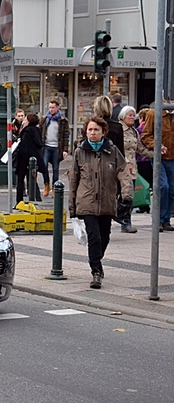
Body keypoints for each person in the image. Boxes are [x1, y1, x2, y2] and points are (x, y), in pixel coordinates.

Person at [69, 116, 133, 289]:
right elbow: (73, 179)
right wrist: (72, 206)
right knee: (94, 236)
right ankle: (96, 271)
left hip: (106, 202)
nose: (92, 133)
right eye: (90, 129)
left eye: (96, 130)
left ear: (103, 132)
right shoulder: (80, 151)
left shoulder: (112, 151)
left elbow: (123, 173)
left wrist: (127, 195)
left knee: (104, 237)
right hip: (87, 202)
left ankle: (96, 259)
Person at [118, 105, 153, 233]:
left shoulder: (134, 131)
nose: (133, 117)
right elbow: (116, 149)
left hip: (132, 170)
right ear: (123, 116)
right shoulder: (118, 129)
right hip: (121, 168)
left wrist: (155, 154)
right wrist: (125, 162)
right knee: (122, 197)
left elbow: (141, 149)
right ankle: (123, 222)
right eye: (130, 115)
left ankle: (126, 222)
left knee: (129, 197)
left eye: (134, 115)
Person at [141, 100, 174, 232]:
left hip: (173, 158)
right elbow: (146, 135)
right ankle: (158, 219)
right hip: (159, 158)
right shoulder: (154, 114)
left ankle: (166, 220)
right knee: (163, 186)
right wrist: (157, 145)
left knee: (172, 189)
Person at [39, 99, 69, 197]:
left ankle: (54, 188)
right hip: (46, 146)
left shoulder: (63, 120)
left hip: (56, 147)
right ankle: (46, 184)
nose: (51, 110)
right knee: (44, 166)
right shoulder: (44, 119)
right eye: (50, 107)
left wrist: (65, 150)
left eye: (53, 107)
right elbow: (40, 132)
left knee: (56, 168)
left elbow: (65, 135)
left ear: (57, 108)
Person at [16, 113, 48, 203]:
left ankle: (19, 201)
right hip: (34, 159)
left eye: (25, 119)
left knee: (21, 181)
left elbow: (25, 147)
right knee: (32, 180)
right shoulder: (36, 130)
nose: (24, 121)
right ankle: (37, 199)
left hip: (24, 160)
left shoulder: (26, 132)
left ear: (29, 121)